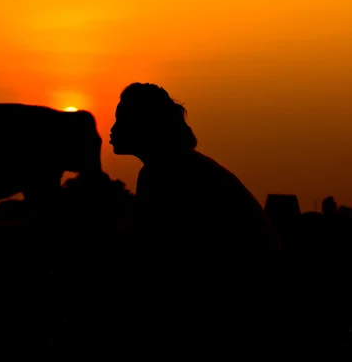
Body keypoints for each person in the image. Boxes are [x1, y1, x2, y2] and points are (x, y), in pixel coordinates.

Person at [109, 82, 283, 351]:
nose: (113, 128)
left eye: (122, 119)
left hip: (237, 306)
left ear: (146, 125)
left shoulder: (170, 173)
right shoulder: (172, 167)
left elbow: (156, 251)